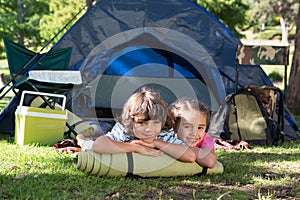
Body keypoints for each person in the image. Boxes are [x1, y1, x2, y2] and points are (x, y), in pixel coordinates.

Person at [78, 87, 196, 162]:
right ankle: (81, 139)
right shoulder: (124, 130)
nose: (149, 129)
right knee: (88, 146)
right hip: (107, 143)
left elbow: (190, 156)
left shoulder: (164, 133)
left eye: (155, 122)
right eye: (141, 123)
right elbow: (99, 146)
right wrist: (137, 147)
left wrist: (156, 143)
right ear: (131, 122)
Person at [169, 97, 216, 168]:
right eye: (187, 126)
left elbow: (209, 162)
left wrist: (184, 148)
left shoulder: (206, 140)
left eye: (200, 128)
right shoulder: (167, 137)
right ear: (174, 127)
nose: (194, 133)